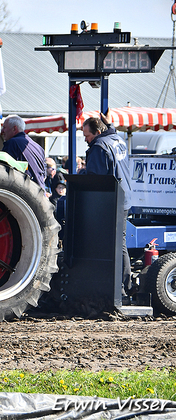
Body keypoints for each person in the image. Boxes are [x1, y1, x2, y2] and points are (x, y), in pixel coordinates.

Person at [83, 112, 134, 295]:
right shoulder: (116, 138)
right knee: (120, 243)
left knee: (113, 244)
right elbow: (110, 130)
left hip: (110, 201)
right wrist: (109, 123)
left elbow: (95, 178)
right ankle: (125, 285)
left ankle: (121, 286)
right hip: (124, 198)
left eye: (87, 136)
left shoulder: (98, 146)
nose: (86, 140)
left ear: (96, 133)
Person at [1, 115, 46, 191]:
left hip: (24, 192)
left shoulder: (12, 143)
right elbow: (44, 175)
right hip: (39, 192)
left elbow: (3, 171)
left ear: (14, 128)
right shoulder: (38, 147)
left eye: (4, 127)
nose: (2, 131)